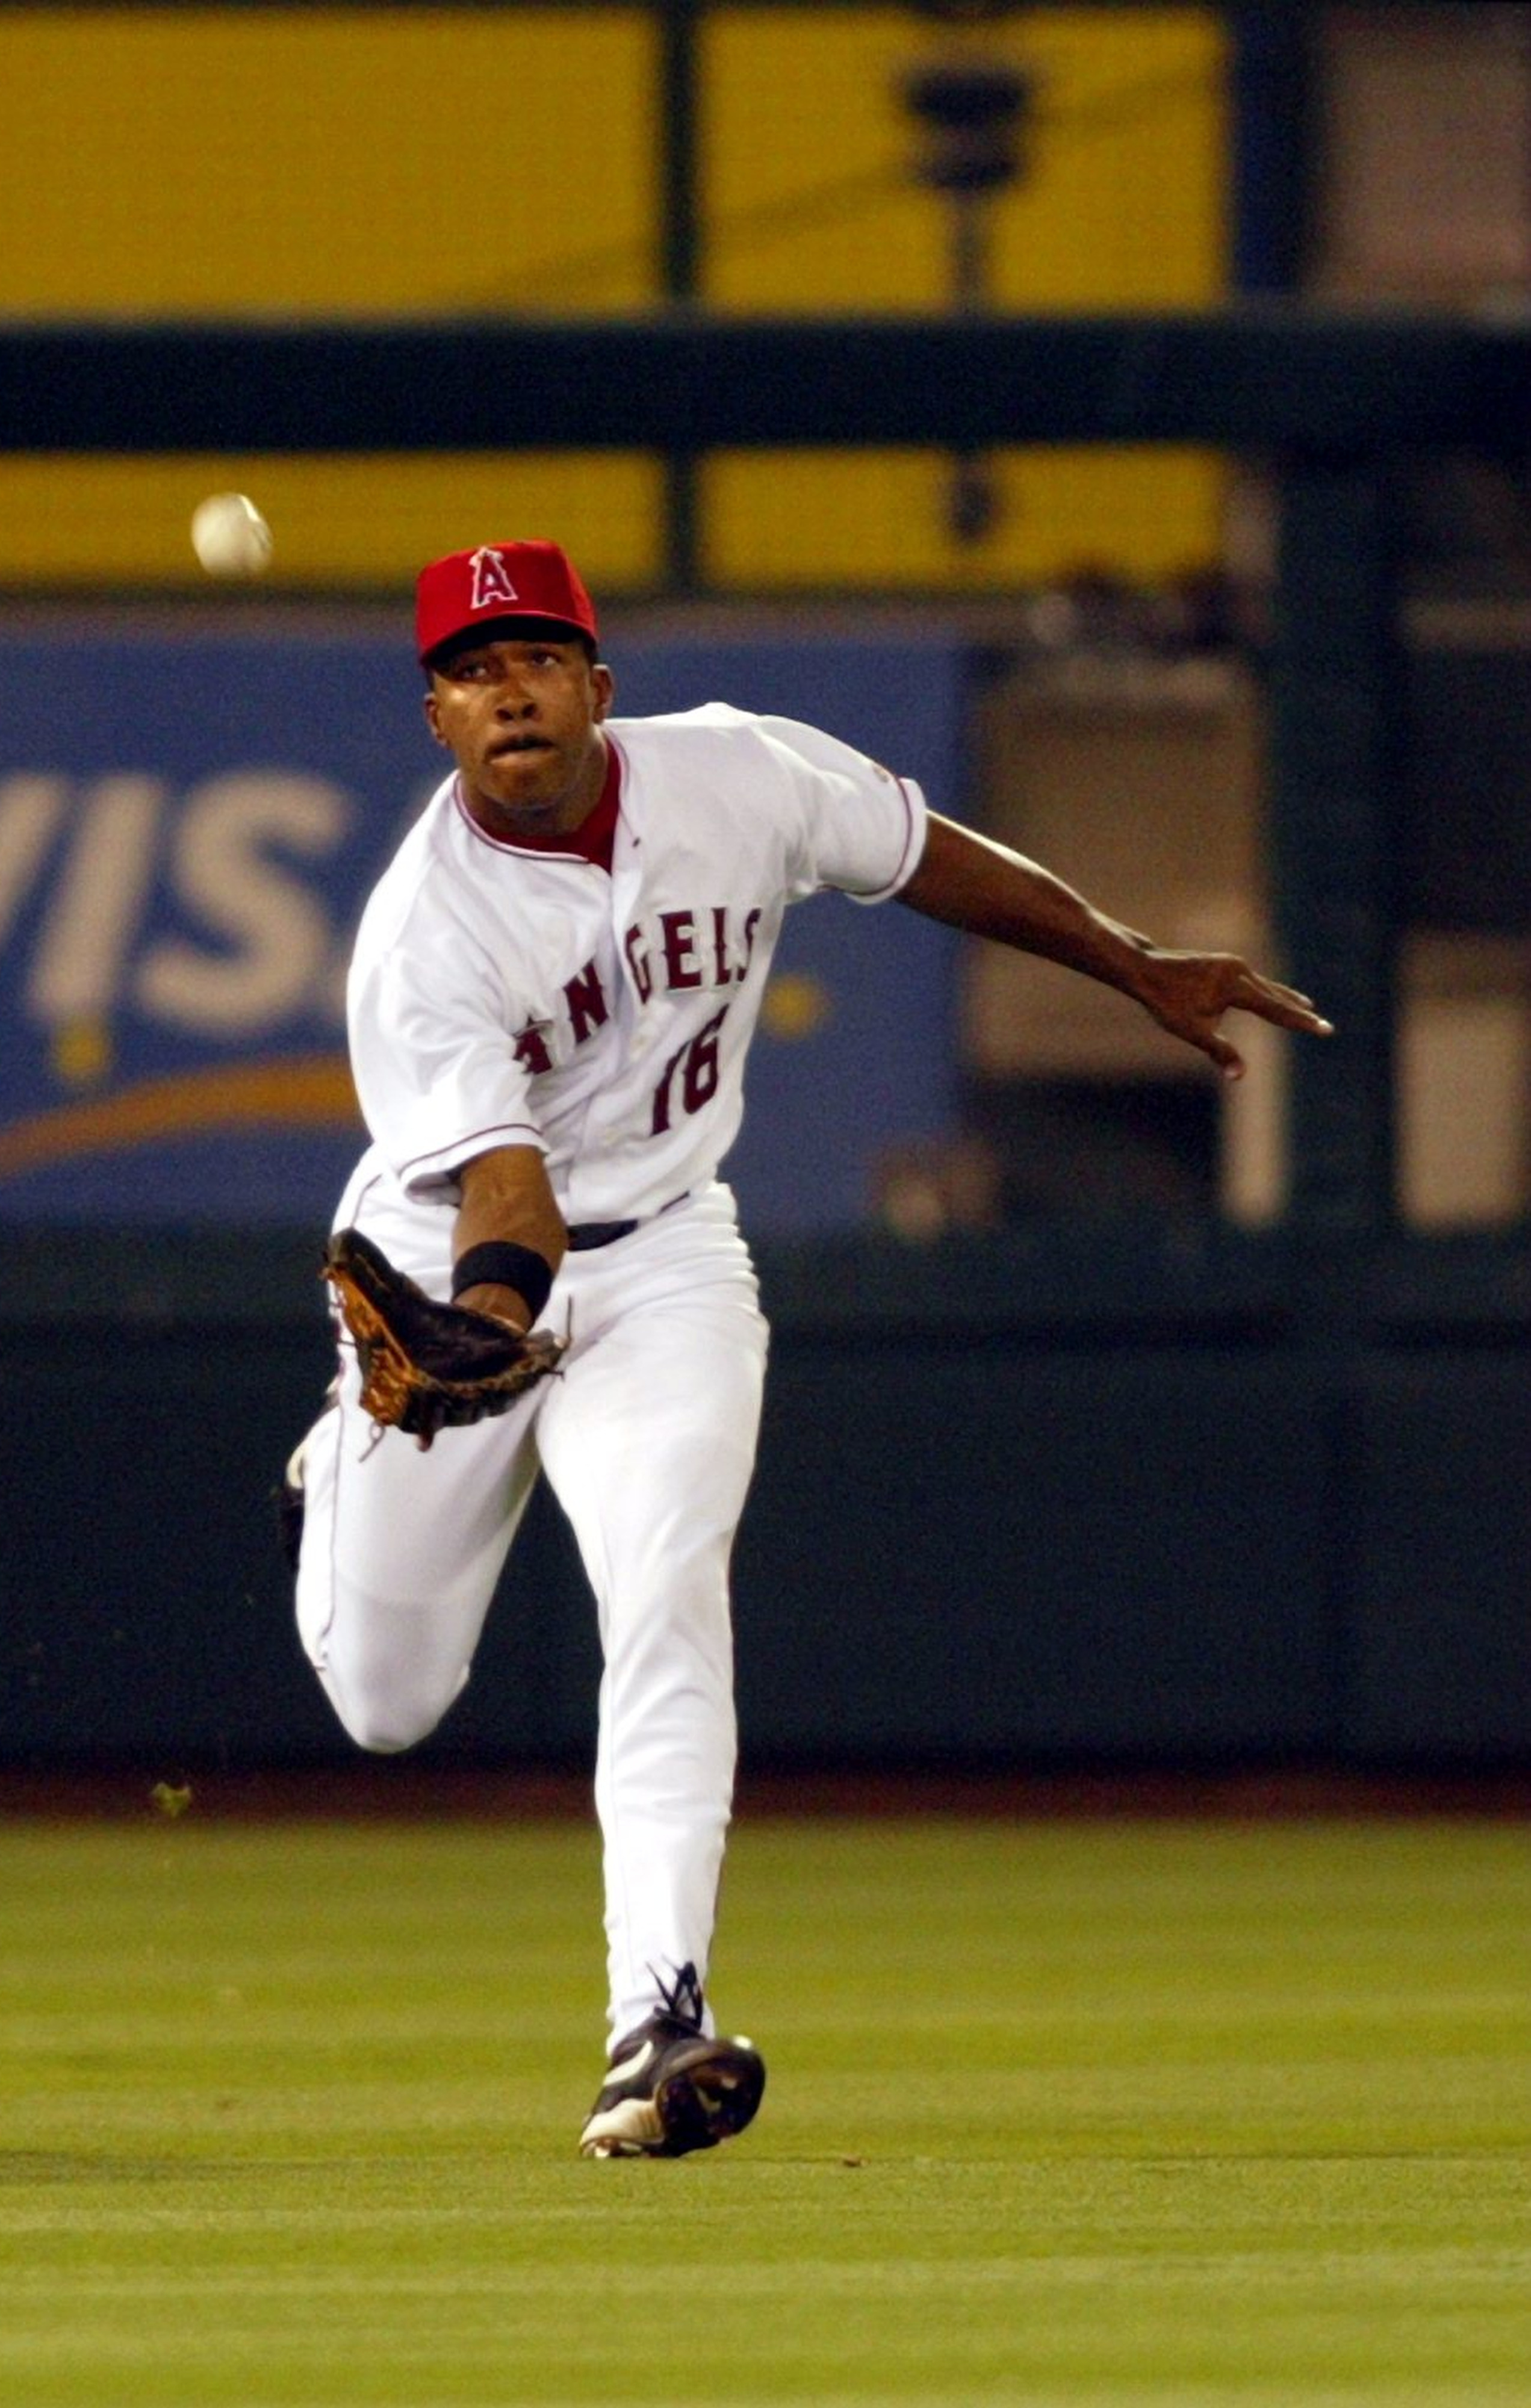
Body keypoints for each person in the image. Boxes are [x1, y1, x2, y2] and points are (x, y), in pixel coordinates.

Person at [284, 538, 1331, 2160]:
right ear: (436, 716)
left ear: (597, 688)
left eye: (540, 657)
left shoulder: (736, 774)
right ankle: (344, 1455)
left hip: (672, 1267)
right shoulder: (422, 934)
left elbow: (918, 853)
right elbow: (509, 1190)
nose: (512, 689)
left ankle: (659, 2020)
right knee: (386, 1705)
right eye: (476, 671)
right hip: (449, 1277)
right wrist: (483, 1328)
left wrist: (1127, 960)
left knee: (669, 1592)